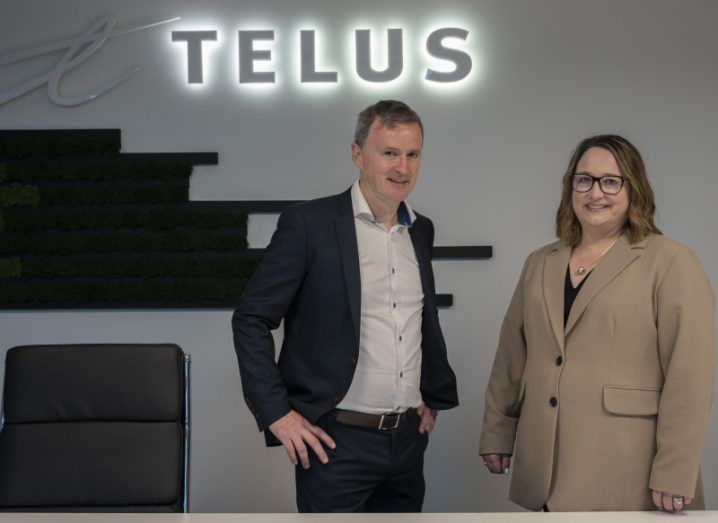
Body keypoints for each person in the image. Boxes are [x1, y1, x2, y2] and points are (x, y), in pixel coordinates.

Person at [232, 100, 458, 513]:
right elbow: (251, 318)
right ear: (357, 154)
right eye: (389, 153)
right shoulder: (309, 224)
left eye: (412, 154)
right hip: (336, 443)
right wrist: (277, 414)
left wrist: (430, 389)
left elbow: (415, 318)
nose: (402, 168)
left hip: (407, 442)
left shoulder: (420, 230)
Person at [479, 134, 715, 512]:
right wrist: (497, 432)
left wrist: (675, 470)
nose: (595, 193)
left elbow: (690, 377)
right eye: (584, 179)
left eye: (610, 181)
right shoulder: (540, 262)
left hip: (626, 467)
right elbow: (511, 356)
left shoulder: (670, 262)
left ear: (633, 188)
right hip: (547, 464)